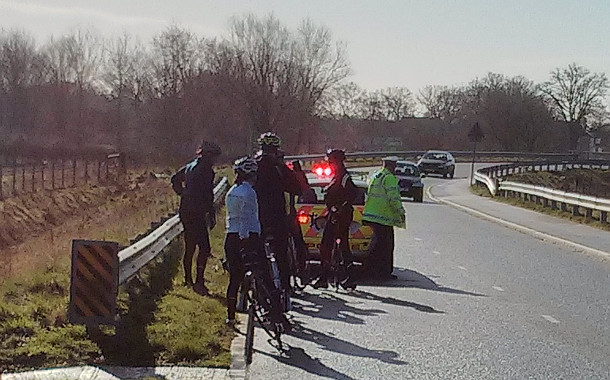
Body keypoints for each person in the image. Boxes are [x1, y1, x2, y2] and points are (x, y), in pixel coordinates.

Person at [171, 141, 221, 295]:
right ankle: (199, 280)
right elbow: (208, 194)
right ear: (208, 155)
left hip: (186, 210)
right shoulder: (206, 170)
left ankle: (188, 278)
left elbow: (174, 179)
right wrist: (211, 213)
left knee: (190, 245)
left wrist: (183, 193)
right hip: (197, 211)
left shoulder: (190, 166)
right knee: (204, 248)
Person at [254, 132, 301, 295]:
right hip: (276, 216)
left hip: (257, 217)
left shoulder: (253, 165)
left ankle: (261, 287)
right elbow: (297, 188)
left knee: (257, 253)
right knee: (282, 252)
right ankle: (286, 287)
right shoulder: (278, 167)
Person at [313, 148, 358, 290]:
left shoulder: (344, 177)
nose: (330, 164)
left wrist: (340, 207)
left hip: (341, 215)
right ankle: (325, 277)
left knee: (336, 245)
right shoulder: (336, 175)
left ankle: (347, 277)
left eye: (331, 161)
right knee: (328, 245)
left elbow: (353, 193)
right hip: (334, 214)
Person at [224, 156, 261, 326]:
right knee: (257, 271)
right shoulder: (249, 192)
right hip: (248, 236)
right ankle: (251, 301)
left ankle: (231, 315)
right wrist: (246, 238)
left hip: (230, 236)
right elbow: (247, 217)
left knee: (234, 277)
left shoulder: (232, 191)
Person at [362, 156, 406, 279]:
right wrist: (400, 211)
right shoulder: (389, 178)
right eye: (395, 166)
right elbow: (393, 198)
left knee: (377, 245)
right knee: (386, 246)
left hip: (371, 215)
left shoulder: (376, 176)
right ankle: (382, 272)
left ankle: (373, 269)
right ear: (392, 166)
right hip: (383, 217)